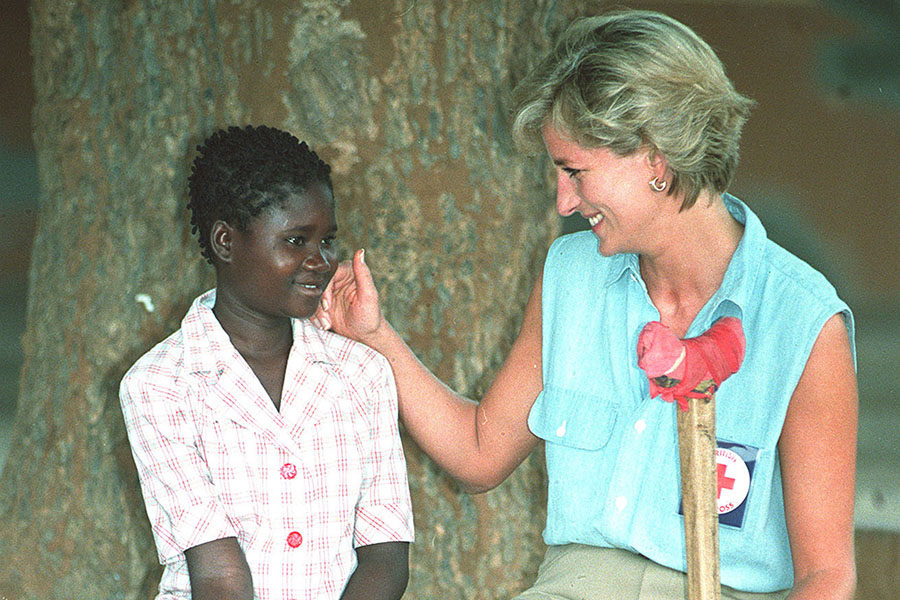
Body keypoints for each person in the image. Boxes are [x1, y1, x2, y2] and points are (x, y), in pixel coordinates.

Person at [312, 10, 857, 600]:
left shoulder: (803, 322)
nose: (564, 202)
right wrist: (375, 337)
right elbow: (478, 453)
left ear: (656, 159)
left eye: (575, 172)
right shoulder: (570, 275)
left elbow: (827, 578)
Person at [119, 125, 414, 600]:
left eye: (327, 240)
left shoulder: (362, 374)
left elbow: (386, 556)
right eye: (296, 241)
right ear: (225, 242)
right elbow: (219, 574)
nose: (321, 261)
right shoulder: (159, 385)